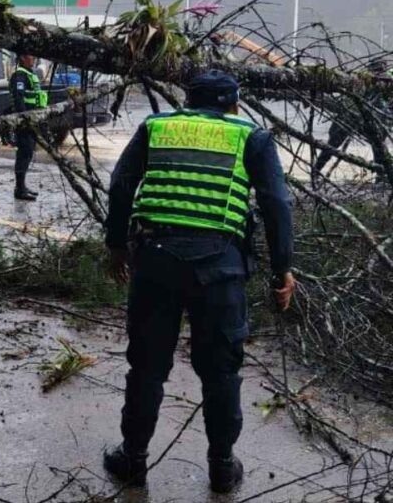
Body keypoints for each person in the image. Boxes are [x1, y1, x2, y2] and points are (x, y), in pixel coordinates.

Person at [103, 70, 295, 494]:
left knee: (147, 366)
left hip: (155, 262)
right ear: (233, 104)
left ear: (188, 101)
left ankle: (133, 459)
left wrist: (116, 245)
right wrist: (282, 268)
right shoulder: (251, 136)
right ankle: (222, 469)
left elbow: (121, 185)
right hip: (220, 268)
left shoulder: (156, 127)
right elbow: (276, 203)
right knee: (221, 371)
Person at [311, 58, 390, 184]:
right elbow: (348, 101)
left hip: (368, 121)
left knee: (379, 147)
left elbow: (385, 107)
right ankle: (315, 172)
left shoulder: (384, 84)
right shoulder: (360, 80)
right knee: (331, 146)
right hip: (349, 118)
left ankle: (380, 178)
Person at [8, 53, 49, 201]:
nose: (34, 59)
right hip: (24, 121)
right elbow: (19, 99)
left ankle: (22, 186)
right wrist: (24, 119)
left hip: (33, 120)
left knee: (28, 152)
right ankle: (19, 189)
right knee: (24, 153)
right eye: (31, 56)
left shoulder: (30, 74)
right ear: (23, 58)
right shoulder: (20, 75)